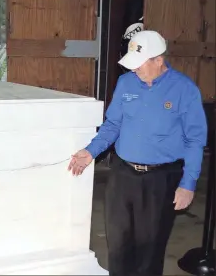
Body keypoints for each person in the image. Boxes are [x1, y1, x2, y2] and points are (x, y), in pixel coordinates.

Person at [68, 30, 208, 276]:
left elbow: (195, 140)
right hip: (123, 175)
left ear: (158, 60)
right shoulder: (126, 83)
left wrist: (188, 183)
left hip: (160, 179)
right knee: (119, 244)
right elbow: (112, 125)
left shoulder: (184, 90)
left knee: (150, 249)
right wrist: (91, 151)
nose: (134, 70)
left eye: (139, 64)